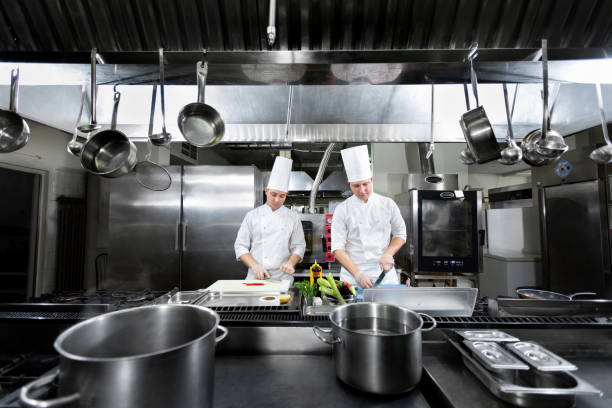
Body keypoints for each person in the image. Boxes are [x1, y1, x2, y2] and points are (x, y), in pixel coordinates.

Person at [331, 145, 407, 289]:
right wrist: (358, 274)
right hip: (352, 276)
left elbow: (401, 234)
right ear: (349, 185)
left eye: (365, 184)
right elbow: (337, 249)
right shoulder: (342, 210)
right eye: (356, 186)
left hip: (384, 274)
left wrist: (388, 253)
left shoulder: (387, 204)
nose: (362, 190)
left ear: (371, 179)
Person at [234, 156, 305, 284]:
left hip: (283, 278)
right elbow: (240, 246)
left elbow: (299, 246)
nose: (277, 200)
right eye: (274, 194)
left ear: (286, 195)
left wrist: (290, 263)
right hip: (256, 277)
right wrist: (254, 266)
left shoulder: (293, 217)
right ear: (266, 191)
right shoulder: (252, 215)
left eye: (282, 196)